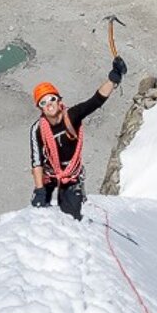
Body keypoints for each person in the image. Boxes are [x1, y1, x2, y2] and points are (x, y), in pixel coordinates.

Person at [29, 56, 127, 220]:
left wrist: (113, 79)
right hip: (49, 174)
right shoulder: (37, 129)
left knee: (71, 216)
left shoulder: (72, 116)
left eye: (51, 99)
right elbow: (36, 161)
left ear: (59, 100)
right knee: (38, 212)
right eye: (43, 102)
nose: (49, 104)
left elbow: (95, 101)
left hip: (71, 174)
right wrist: (39, 190)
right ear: (40, 108)